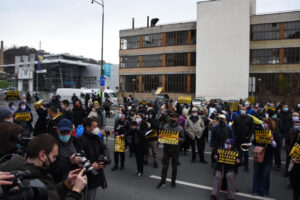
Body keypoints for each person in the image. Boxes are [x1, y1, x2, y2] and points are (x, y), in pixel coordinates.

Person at [0, 134, 87, 200]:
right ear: (42, 155)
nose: (54, 160)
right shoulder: (28, 184)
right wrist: (76, 192)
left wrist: (66, 185)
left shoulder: (35, 172)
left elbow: (49, 194)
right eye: (54, 156)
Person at [78, 117, 109, 200]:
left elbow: (104, 148)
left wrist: (106, 157)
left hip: (96, 176)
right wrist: (91, 166)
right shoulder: (80, 140)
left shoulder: (96, 138)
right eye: (94, 127)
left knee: (92, 196)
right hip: (86, 177)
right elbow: (79, 159)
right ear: (87, 127)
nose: (97, 129)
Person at [252, 118, 279, 197]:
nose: (264, 124)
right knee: (256, 173)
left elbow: (277, 146)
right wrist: (256, 138)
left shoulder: (275, 133)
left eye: (266, 123)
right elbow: (254, 142)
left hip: (268, 156)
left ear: (270, 124)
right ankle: (255, 190)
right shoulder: (259, 131)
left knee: (265, 174)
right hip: (259, 155)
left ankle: (265, 191)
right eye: (263, 123)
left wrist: (272, 141)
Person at [156, 113, 184, 189]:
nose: (172, 118)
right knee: (165, 166)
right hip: (166, 149)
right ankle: (162, 181)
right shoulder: (165, 127)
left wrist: (180, 139)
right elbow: (160, 137)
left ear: (177, 119)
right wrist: (159, 137)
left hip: (175, 150)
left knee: (174, 167)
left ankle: (173, 180)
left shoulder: (180, 128)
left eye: (174, 117)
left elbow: (183, 139)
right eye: (171, 117)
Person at [50, 119, 83, 183]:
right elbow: (51, 167)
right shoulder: (51, 144)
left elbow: (81, 153)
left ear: (72, 131)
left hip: (75, 180)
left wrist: (81, 161)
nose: (65, 135)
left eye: (67, 132)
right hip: (59, 182)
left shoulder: (76, 142)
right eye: (62, 132)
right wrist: (70, 162)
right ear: (57, 130)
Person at [232, 105, 255, 172]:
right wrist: (235, 135)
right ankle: (237, 164)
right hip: (238, 138)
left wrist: (249, 136)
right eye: (241, 109)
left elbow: (252, 128)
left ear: (246, 110)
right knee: (237, 152)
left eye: (244, 109)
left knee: (245, 153)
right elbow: (234, 127)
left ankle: (246, 166)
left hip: (246, 138)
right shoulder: (236, 117)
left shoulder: (250, 118)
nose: (243, 110)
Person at [288, 120, 300, 200]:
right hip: (297, 165)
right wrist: (293, 156)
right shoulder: (298, 134)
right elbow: (292, 146)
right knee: (297, 189)